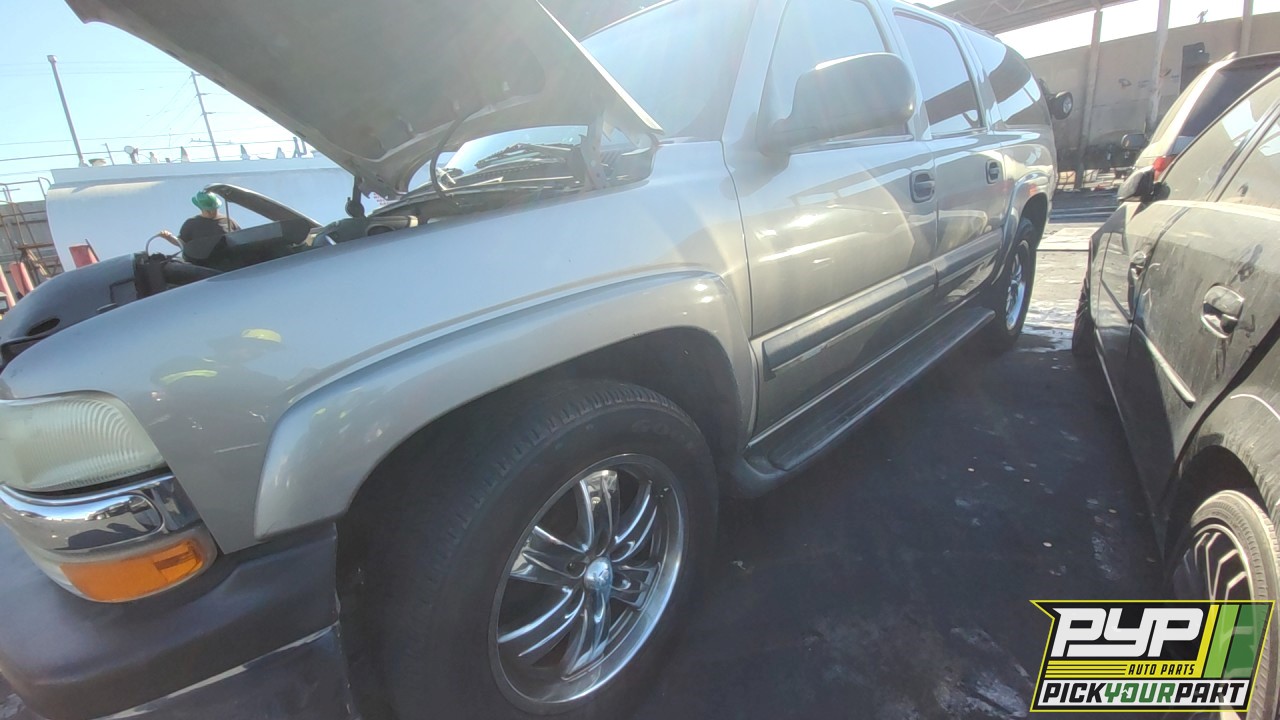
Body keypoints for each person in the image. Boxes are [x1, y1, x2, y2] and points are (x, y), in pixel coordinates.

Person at [158, 191, 240, 249]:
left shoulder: (228, 221)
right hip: (200, 265)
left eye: (213, 209)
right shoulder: (190, 224)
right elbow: (182, 244)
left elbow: (240, 239)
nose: (211, 211)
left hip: (226, 263)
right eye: (208, 209)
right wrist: (169, 237)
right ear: (201, 208)